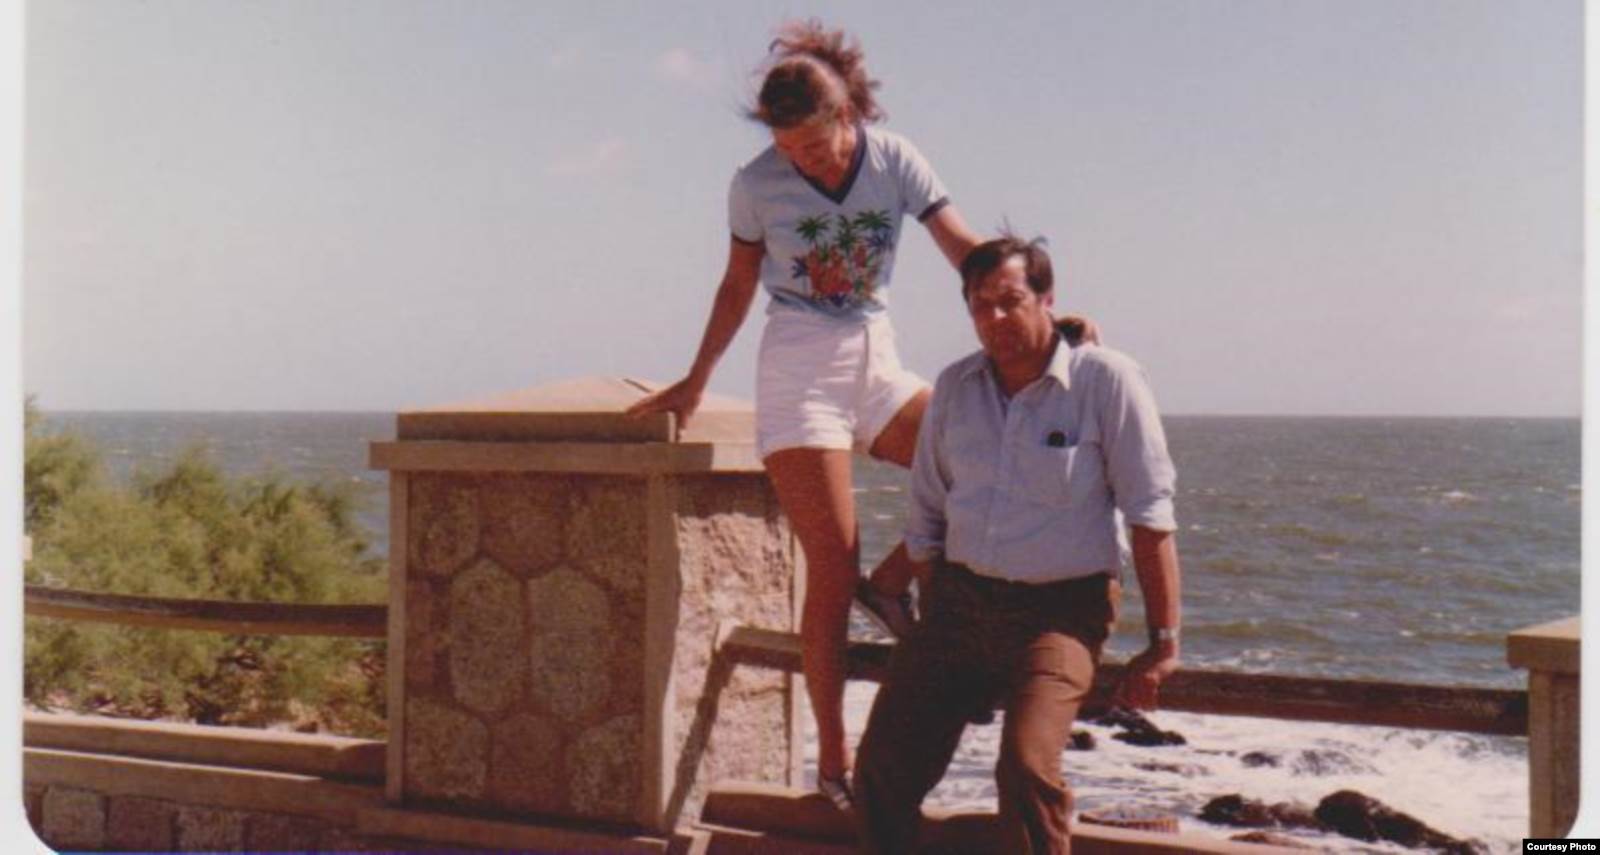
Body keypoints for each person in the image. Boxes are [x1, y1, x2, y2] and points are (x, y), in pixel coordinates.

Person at [625, 20, 992, 809]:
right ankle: (834, 757)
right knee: (832, 561)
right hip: (799, 369)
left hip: (876, 355)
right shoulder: (755, 184)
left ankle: (891, 585)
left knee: (982, 454)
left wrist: (1038, 308)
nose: (803, 161)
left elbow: (964, 248)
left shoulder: (895, 160)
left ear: (847, 114)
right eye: (788, 149)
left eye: (815, 147)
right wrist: (696, 380)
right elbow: (737, 284)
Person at [852, 235, 1182, 855]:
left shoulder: (1106, 381)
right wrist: (937, 611)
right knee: (881, 766)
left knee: (1027, 768)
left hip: (1061, 613)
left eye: (1010, 300)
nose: (995, 317)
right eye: (980, 305)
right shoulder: (956, 387)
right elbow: (927, 512)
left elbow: (1150, 515)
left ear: (1047, 299)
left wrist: (1163, 643)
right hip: (959, 604)